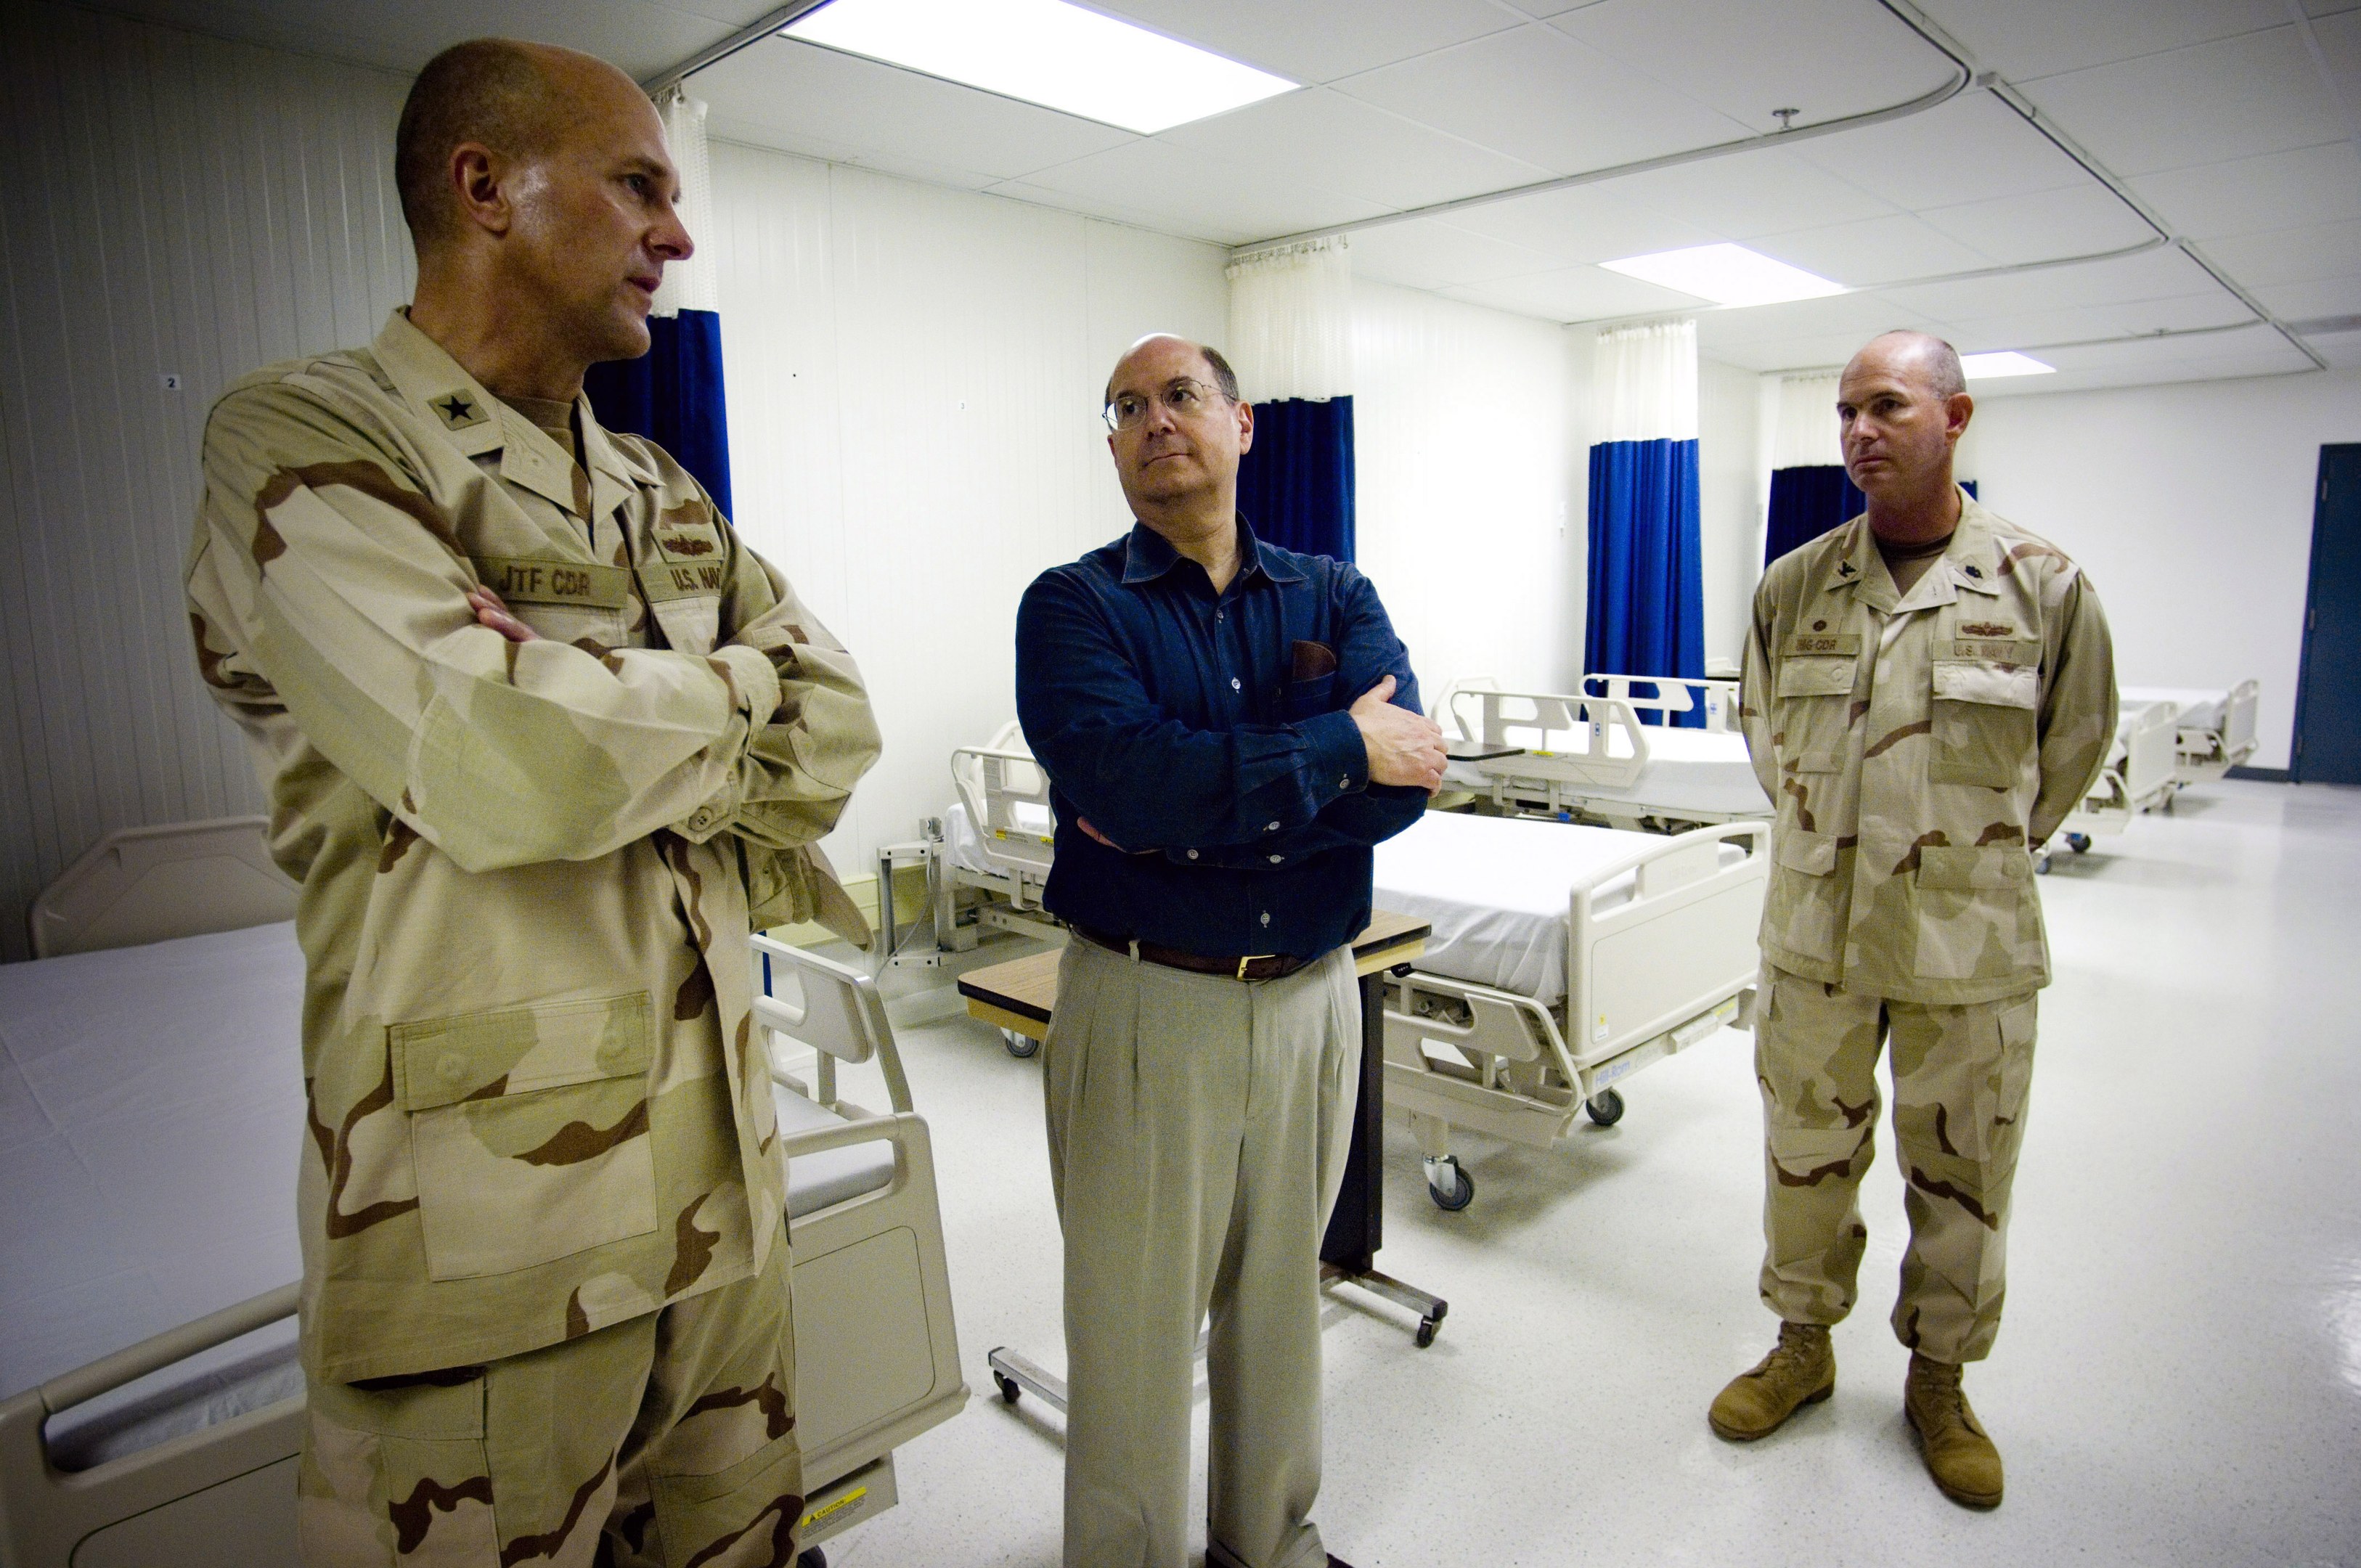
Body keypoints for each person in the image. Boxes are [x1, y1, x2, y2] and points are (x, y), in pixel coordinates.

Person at [184, 38, 881, 1564]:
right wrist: (721, 699)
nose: (676, 237)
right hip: (498, 1246)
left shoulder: (656, 490)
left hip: (723, 1195)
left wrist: (624, 702)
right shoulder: (309, 439)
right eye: (641, 186)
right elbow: (505, 763)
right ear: (485, 187)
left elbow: (841, 723)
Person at [1013, 335, 1445, 1568]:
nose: (1157, 422)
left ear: (1243, 425)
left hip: (1315, 998)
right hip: (1151, 1007)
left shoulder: (1334, 598)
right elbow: (1126, 780)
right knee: (1134, 1330)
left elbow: (1400, 789)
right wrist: (1330, 753)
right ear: (1111, 445)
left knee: (1279, 1312)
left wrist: (1209, 802)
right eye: (1128, 408)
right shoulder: (1075, 605)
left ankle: (1270, 1543)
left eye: (1182, 397)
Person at [1715, 330, 2116, 1508]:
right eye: (1845, 412)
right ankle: (1802, 1345)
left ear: (1956, 417)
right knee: (1804, 1158)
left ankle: (1939, 1380)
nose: (1858, 433)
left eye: (1886, 406)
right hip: (1816, 939)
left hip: (1968, 944)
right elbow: (1763, 736)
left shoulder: (2044, 585)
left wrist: (1965, 855)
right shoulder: (1797, 583)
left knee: (1966, 1173)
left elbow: (2072, 752)